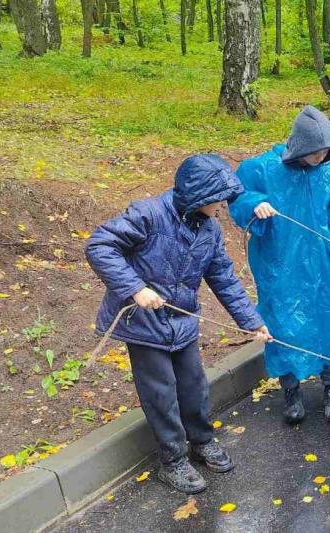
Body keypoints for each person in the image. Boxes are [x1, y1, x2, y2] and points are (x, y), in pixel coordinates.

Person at [85, 154, 271, 494]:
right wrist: (135, 289)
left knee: (194, 385)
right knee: (161, 392)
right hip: (143, 323)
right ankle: (172, 460)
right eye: (219, 199)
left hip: (181, 322)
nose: (223, 207)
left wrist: (252, 322)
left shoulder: (209, 229)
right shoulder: (149, 214)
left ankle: (201, 440)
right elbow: (100, 245)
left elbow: (225, 280)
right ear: (199, 194)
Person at [230, 106, 330, 425]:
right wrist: (253, 205)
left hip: (323, 262)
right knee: (283, 324)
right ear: (300, 145)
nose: (320, 157)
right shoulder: (263, 168)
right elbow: (236, 196)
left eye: (325, 151)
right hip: (280, 264)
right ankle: (291, 391)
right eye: (315, 151)